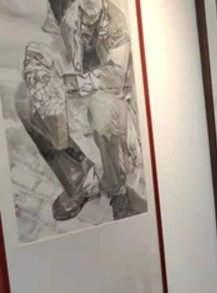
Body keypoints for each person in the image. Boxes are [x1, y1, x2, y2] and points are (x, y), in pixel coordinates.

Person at [18, 0, 145, 221]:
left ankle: (119, 192)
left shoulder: (115, 20)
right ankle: (80, 180)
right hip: (80, 92)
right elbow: (47, 44)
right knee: (28, 101)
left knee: (101, 107)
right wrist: (40, 77)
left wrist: (69, 83)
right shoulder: (66, 12)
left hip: (113, 100)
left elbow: (115, 78)